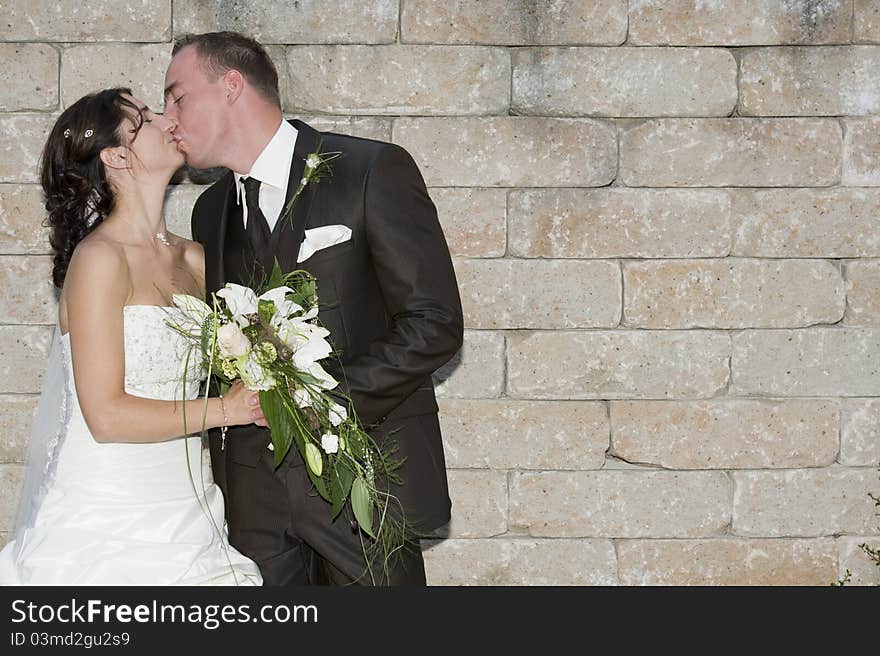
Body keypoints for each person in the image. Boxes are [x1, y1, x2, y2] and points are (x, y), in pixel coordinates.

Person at [163, 32, 463, 585]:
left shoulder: (370, 170)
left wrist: (325, 405)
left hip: (362, 483)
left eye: (177, 97)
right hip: (252, 502)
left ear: (231, 86)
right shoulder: (209, 212)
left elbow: (435, 322)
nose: (168, 118)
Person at [0, 88, 263, 585]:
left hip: (189, 498)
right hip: (110, 504)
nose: (168, 120)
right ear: (117, 156)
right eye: (145, 117)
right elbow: (105, 414)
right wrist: (227, 410)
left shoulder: (199, 259)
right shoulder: (100, 259)